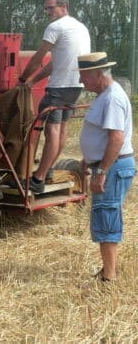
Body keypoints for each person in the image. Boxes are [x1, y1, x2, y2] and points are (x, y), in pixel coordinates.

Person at [18, 0, 90, 192]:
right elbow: (55, 64)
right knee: (62, 128)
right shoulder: (81, 27)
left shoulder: (55, 27)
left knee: (52, 132)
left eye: (51, 8)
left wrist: (22, 78)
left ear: (64, 7)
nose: (47, 12)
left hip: (59, 88)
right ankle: (48, 169)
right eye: (46, 8)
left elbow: (39, 57)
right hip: (76, 86)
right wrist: (32, 81)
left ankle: (37, 180)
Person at [77, 52, 135, 282]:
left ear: (98, 74)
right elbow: (102, 135)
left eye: (84, 76)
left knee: (108, 216)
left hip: (113, 167)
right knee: (104, 215)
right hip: (110, 165)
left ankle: (109, 276)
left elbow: (116, 138)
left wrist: (101, 171)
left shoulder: (112, 98)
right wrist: (89, 158)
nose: (81, 80)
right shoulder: (104, 96)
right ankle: (107, 270)